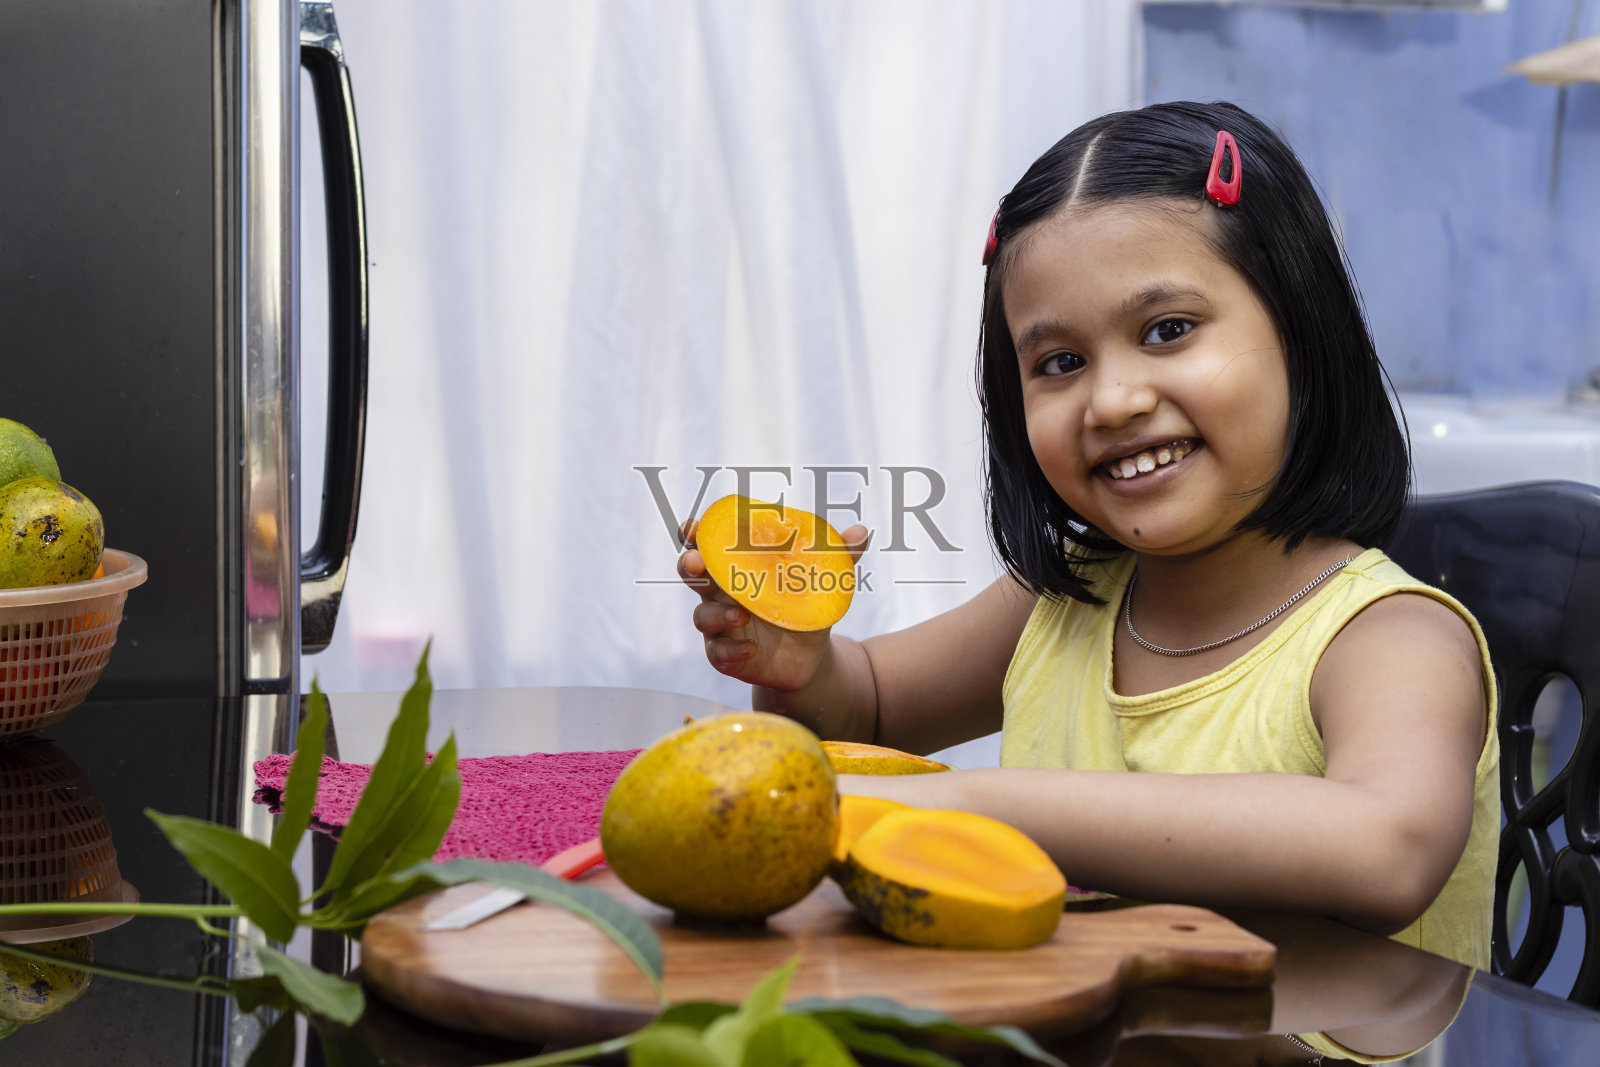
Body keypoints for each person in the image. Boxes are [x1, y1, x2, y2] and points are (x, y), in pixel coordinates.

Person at [679, 100, 1498, 995]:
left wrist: (976, 800)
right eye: (1059, 362)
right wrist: (800, 663)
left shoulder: (1391, 637)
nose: (1112, 401)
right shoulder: (1067, 600)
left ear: (1303, 333)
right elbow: (863, 713)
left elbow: (1386, 848)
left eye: (1168, 330)